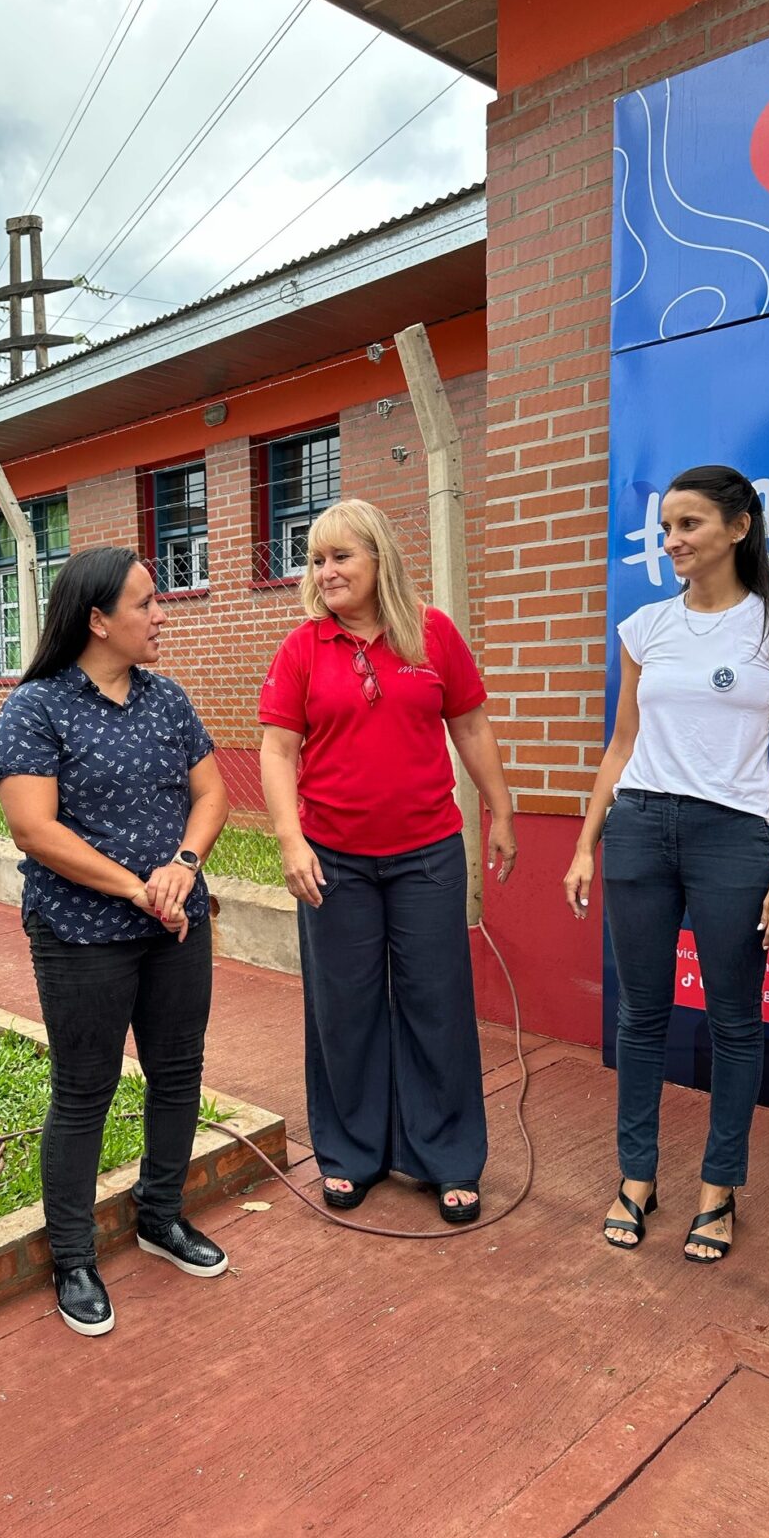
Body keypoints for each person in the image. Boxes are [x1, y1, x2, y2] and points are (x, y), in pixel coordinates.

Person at [563, 465, 769, 1264]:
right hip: (639, 826)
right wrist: (584, 842)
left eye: (689, 525)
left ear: (739, 528)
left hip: (733, 837)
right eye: (665, 527)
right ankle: (637, 1176)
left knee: (734, 1021)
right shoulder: (645, 627)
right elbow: (622, 744)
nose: (671, 540)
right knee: (640, 1016)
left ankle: (719, 1187)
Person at [0, 546, 231, 1338]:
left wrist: (184, 864)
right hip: (83, 933)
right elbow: (33, 826)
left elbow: (212, 790)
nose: (161, 615)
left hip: (175, 926)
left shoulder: (167, 700)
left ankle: (161, 1214)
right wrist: (138, 886)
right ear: (97, 619)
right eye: (146, 603)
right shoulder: (38, 708)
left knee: (177, 1072)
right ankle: (73, 1255)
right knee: (85, 1089)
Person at [259, 500, 516, 1222]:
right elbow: (278, 750)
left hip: (428, 854)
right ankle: (350, 1152)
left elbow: (468, 721)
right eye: (316, 559)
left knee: (438, 1004)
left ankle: (448, 1156)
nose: (327, 570)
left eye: (342, 556)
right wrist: (289, 838)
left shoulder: (432, 634)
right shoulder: (303, 648)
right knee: (345, 1010)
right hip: (334, 859)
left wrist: (501, 808)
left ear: (379, 559)